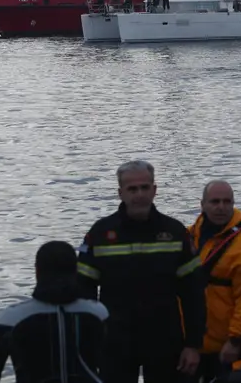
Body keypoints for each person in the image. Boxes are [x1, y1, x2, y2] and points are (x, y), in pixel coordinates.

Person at [77, 160, 205, 383]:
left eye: (145, 187)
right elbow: (83, 295)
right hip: (115, 341)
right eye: (132, 189)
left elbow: (193, 295)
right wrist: (89, 345)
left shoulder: (175, 233)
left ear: (155, 190)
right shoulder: (100, 234)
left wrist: (193, 345)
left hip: (165, 340)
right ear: (120, 193)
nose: (139, 194)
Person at [0, 241, 108, 383]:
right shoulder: (98, 313)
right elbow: (113, 363)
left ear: (37, 271)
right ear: (75, 271)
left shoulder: (12, 318)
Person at [189, 180, 241, 382]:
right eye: (215, 201)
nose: (221, 207)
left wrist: (234, 341)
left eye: (227, 202)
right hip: (193, 341)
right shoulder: (189, 235)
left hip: (224, 344)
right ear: (202, 205)